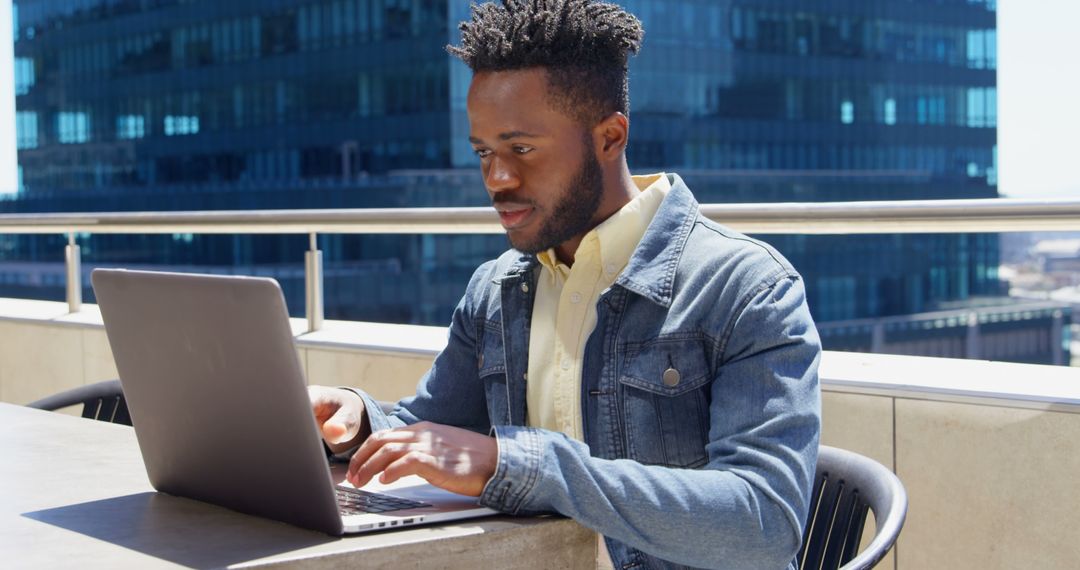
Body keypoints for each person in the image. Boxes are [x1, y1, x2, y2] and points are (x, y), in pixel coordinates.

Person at [308, 1, 821, 568]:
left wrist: (525, 466)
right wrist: (355, 421)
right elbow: (434, 430)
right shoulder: (496, 289)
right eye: (485, 153)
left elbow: (763, 521)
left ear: (609, 137)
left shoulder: (745, 287)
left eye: (521, 149)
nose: (497, 179)